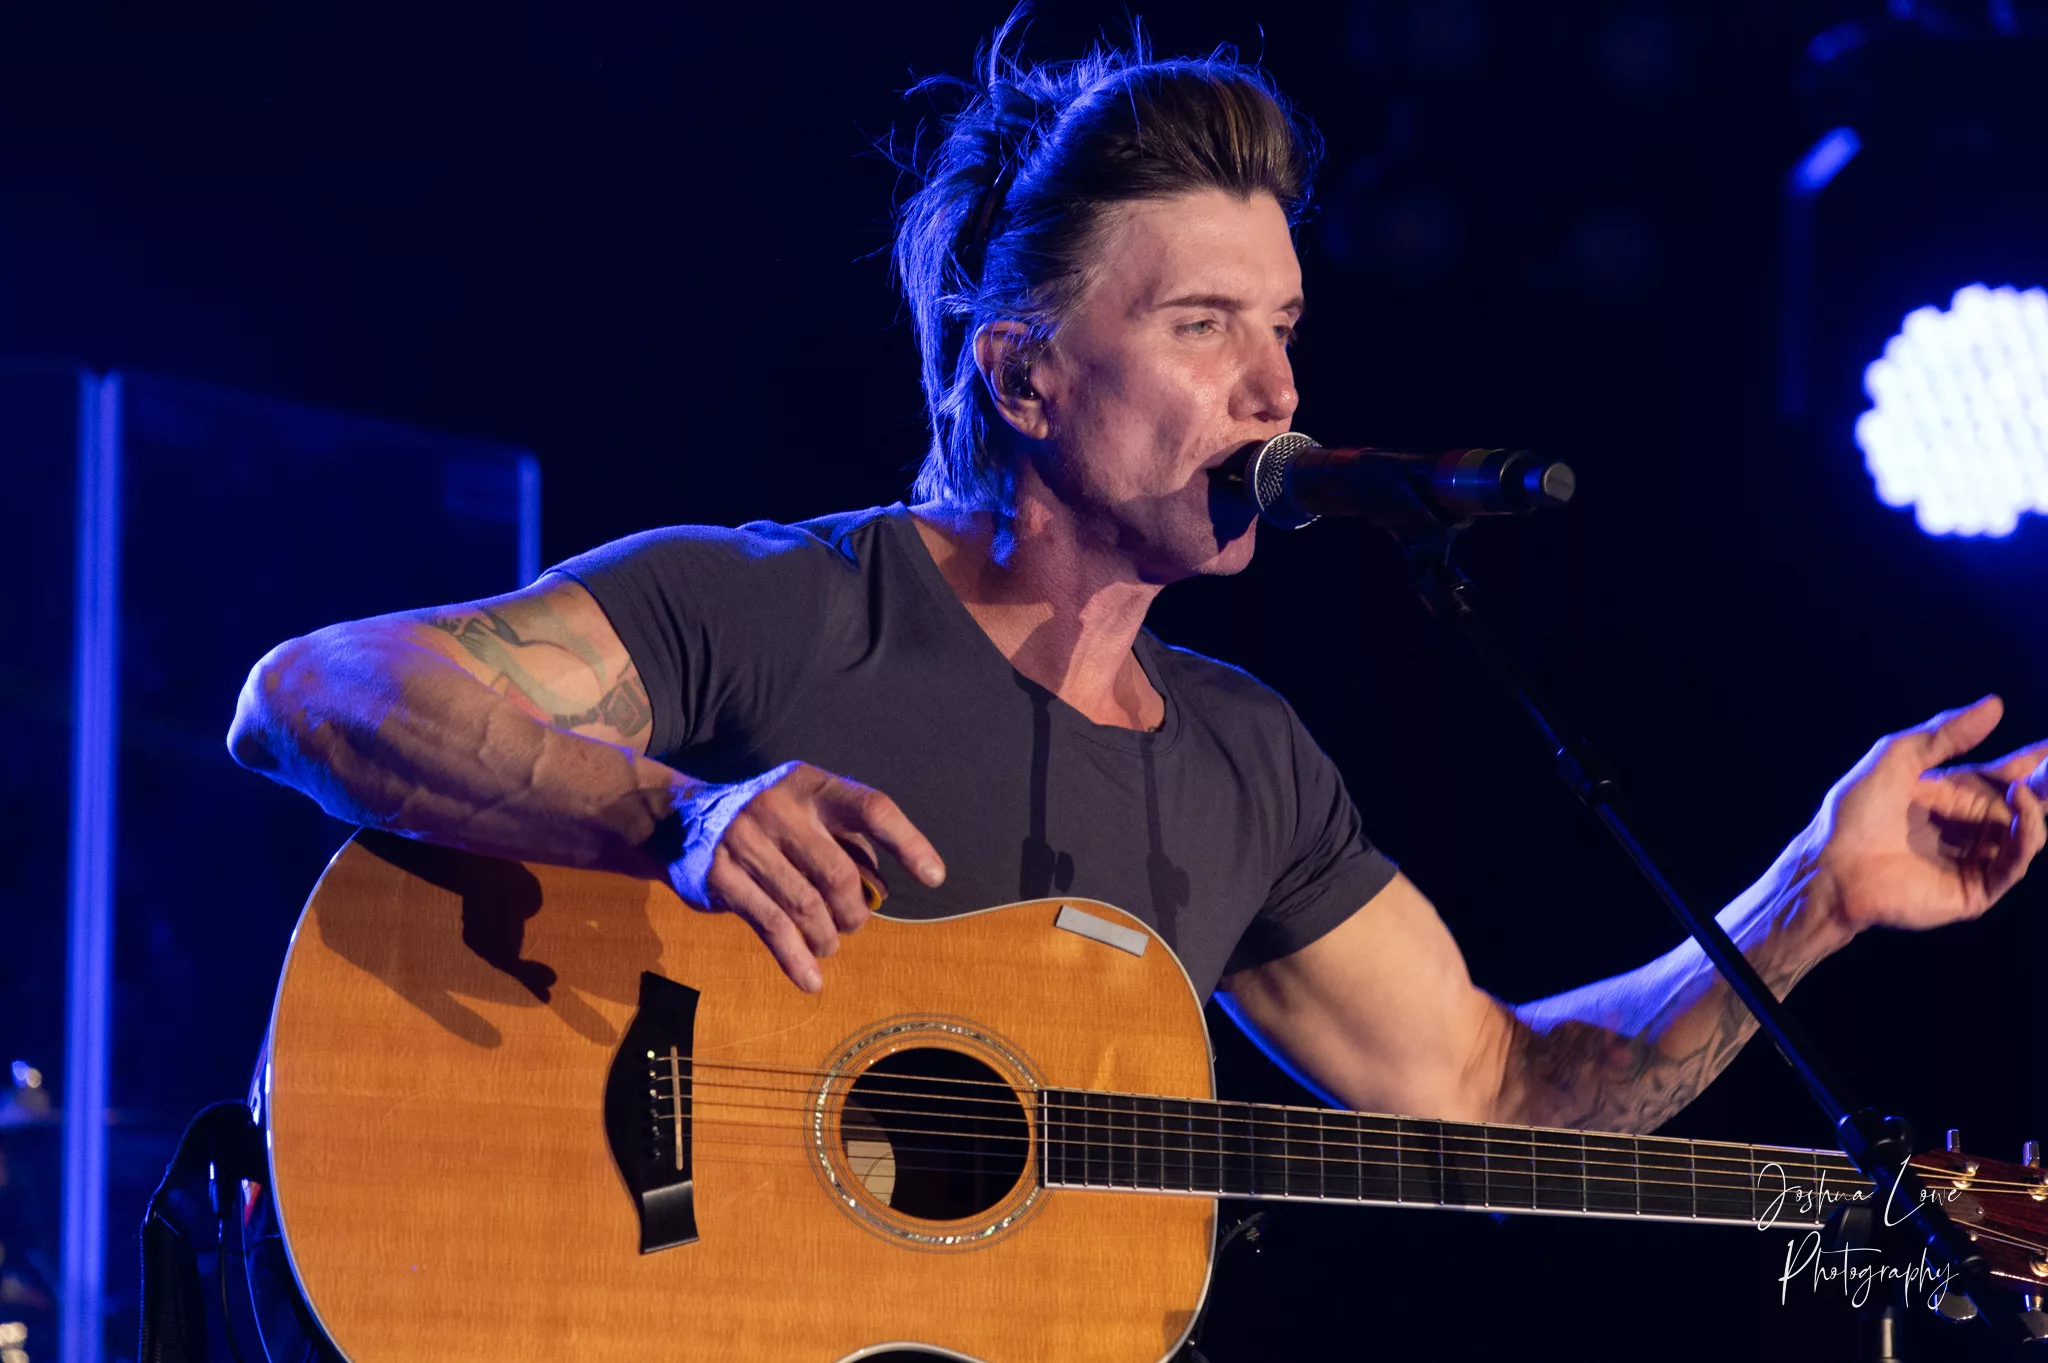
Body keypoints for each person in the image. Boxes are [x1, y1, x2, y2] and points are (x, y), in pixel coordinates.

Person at [228, 30, 2045, 1148]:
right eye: (1202, 327)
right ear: (1023, 375)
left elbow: (1497, 1088)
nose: (1275, 390)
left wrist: (1818, 892)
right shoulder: (778, 608)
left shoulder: (1250, 766)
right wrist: (677, 816)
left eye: (1285, 328)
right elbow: (307, 691)